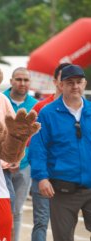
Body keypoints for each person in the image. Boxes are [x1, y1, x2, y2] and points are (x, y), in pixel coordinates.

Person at [29, 64, 91, 241]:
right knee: (63, 238)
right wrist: (41, 177)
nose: (75, 86)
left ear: (85, 83)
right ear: (60, 85)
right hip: (62, 189)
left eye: (79, 82)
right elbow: (38, 147)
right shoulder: (47, 113)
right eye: (70, 82)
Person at [30, 63, 70, 241]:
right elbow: (31, 141)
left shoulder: (81, 110)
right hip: (44, 173)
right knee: (41, 220)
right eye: (64, 79)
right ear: (55, 81)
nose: (69, 83)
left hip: (70, 176)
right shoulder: (41, 108)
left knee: (66, 223)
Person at [3, 67, 38, 241]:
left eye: (26, 80)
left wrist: (20, 158)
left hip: (24, 167)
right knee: (1, 209)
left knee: (17, 210)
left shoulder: (35, 105)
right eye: (18, 79)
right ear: (11, 81)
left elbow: (37, 139)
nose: (22, 83)